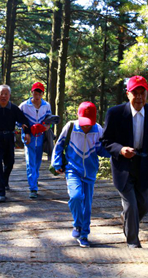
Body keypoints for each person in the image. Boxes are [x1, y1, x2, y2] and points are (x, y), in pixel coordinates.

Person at [101, 75, 148, 248]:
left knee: (145, 205)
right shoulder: (115, 113)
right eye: (135, 93)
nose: (139, 97)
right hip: (123, 167)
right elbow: (105, 141)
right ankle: (133, 242)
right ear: (128, 94)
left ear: (147, 94)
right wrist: (121, 150)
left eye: (142, 93)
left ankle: (126, 220)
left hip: (144, 166)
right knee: (131, 205)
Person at [52, 102, 110, 248]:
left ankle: (84, 234)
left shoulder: (98, 130)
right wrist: (57, 163)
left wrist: (114, 152)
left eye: (89, 123)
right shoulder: (71, 127)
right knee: (76, 197)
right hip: (72, 169)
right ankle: (77, 224)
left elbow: (102, 150)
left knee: (87, 205)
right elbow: (58, 145)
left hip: (90, 171)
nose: (86, 126)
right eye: (84, 123)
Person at [19, 82, 52, 199]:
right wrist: (24, 129)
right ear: (31, 92)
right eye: (35, 92)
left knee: (37, 162)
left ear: (42, 94)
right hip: (29, 137)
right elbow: (18, 121)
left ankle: (34, 180)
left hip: (41, 137)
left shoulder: (46, 105)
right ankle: (33, 188)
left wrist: (47, 127)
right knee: (30, 162)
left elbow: (49, 120)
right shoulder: (24, 106)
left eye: (39, 93)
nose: (37, 95)